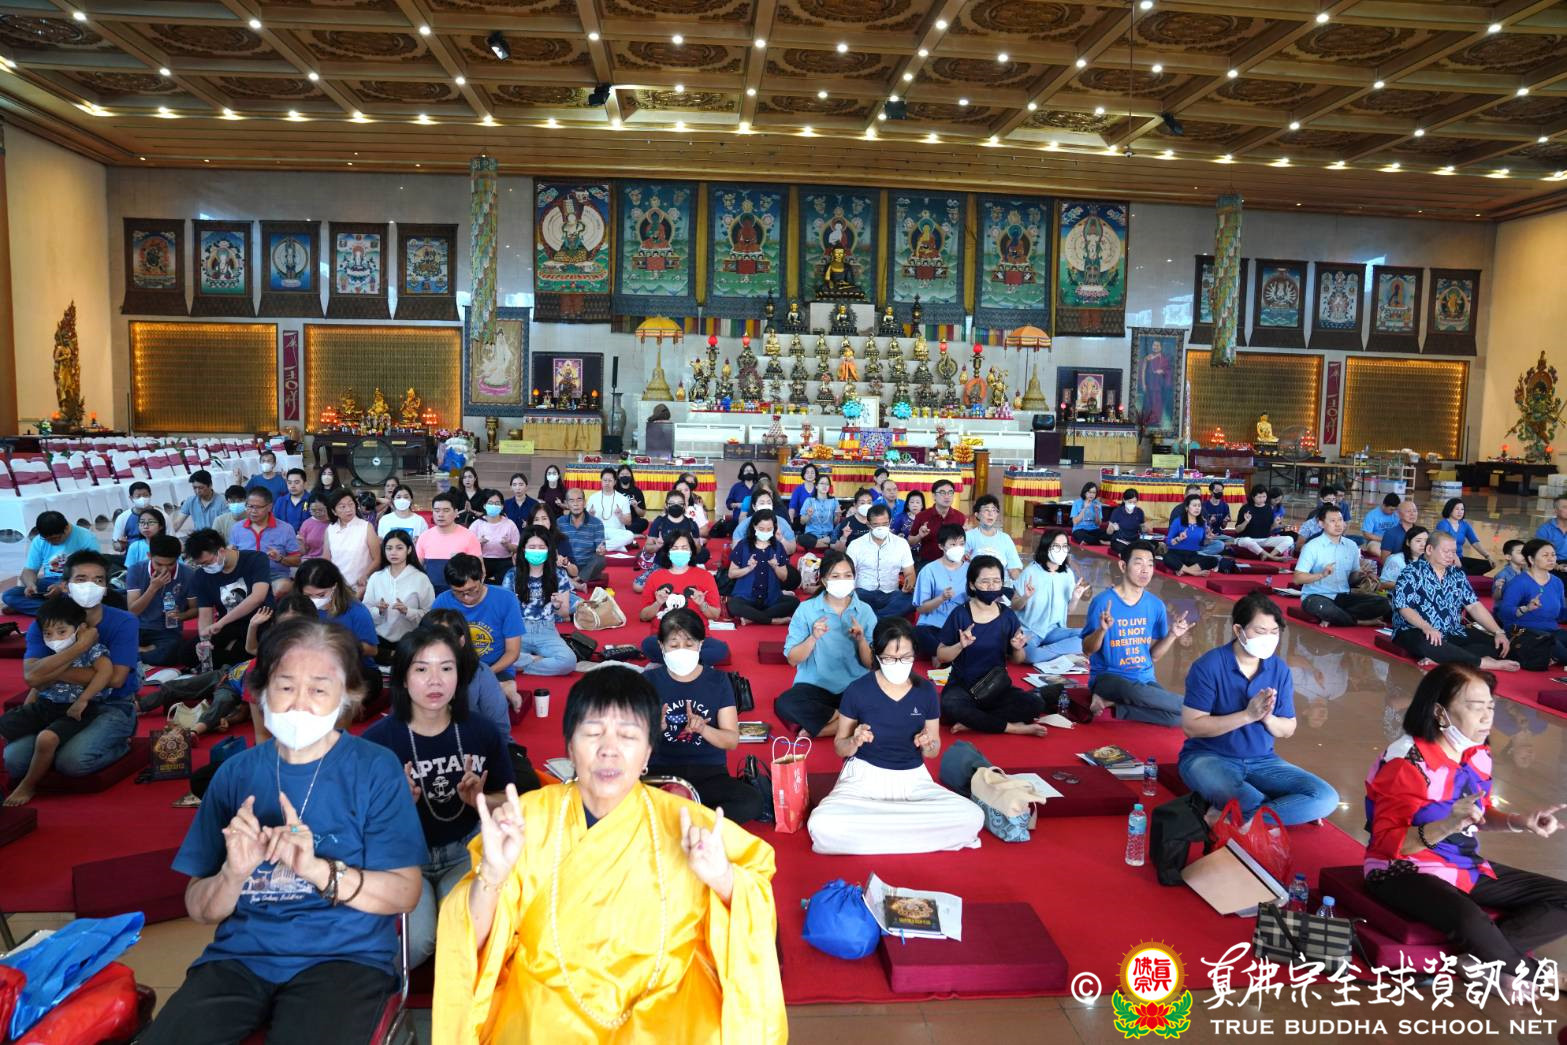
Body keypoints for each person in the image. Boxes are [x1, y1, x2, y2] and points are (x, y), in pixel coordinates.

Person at [431, 667, 786, 1043]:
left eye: (628, 735)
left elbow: (756, 897)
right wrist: (491, 875)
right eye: (593, 733)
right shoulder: (526, 821)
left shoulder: (688, 823)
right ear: (570, 747)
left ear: (648, 752)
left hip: (668, 993)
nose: (609, 750)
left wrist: (724, 880)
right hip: (546, 992)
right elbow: (468, 943)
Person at [138, 617, 425, 1045]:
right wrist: (233, 874)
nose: (298, 705)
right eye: (286, 686)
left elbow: (405, 893)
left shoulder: (375, 769)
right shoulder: (235, 774)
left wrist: (316, 870)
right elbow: (200, 909)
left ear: (347, 696)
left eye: (319, 690)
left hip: (346, 958)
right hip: (240, 958)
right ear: (261, 691)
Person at [1363, 663, 1567, 999]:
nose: (1487, 717)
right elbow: (1388, 844)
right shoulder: (1406, 762)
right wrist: (1447, 825)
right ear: (1439, 712)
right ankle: (1541, 974)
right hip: (1400, 869)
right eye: (1475, 707)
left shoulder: (1477, 753)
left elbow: (1478, 813)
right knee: (1469, 918)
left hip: (1460, 864)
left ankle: (1481, 960)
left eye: (1491, 706)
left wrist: (1519, 821)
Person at [364, 627, 515, 967]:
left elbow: (507, 801)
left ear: (459, 676)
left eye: (446, 668)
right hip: (404, 860)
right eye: (421, 669)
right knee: (418, 943)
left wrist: (480, 801)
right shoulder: (377, 743)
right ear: (403, 679)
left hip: (463, 852)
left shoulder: (481, 731)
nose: (435, 680)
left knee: (464, 937)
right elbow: (359, 825)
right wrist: (396, 807)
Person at [809, 617, 983, 855]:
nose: (898, 664)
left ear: (915, 653)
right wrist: (854, 741)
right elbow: (840, 747)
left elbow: (933, 750)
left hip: (914, 780)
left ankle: (873, 835)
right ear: (877, 655)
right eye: (890, 658)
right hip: (863, 779)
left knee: (972, 816)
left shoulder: (926, 691)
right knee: (822, 823)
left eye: (906, 657)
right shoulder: (857, 690)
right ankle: (912, 833)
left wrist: (927, 744)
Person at [1177, 593, 1338, 825]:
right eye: (1260, 631)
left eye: (1274, 632)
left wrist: (1267, 718)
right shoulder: (1208, 666)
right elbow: (1192, 727)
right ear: (1238, 630)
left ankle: (1233, 817)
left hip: (1263, 761)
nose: (1268, 639)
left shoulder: (1278, 668)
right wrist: (1247, 715)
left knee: (1325, 798)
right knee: (1248, 798)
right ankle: (1280, 812)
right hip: (1208, 757)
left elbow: (1288, 729)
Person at [3, 551, 139, 785]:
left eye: (98, 580)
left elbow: (115, 679)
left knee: (72, 763)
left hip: (110, 704)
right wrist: (81, 646)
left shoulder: (124, 621)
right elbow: (32, 677)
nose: (90, 586)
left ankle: (121, 745)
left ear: (106, 588)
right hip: (54, 703)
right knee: (15, 763)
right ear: (65, 586)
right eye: (81, 579)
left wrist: (49, 672)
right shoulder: (45, 622)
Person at [644, 608, 765, 823]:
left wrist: (703, 729)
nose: (681, 651)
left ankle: (678, 820)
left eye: (689, 644)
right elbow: (629, 743)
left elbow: (731, 740)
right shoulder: (648, 680)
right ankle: (698, 820)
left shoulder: (718, 681)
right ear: (661, 646)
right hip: (660, 773)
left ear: (701, 645)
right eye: (674, 645)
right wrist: (653, 729)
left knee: (751, 801)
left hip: (709, 774)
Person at [1, 595, 114, 806]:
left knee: (46, 739)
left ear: (80, 628)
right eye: (48, 634)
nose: (55, 638)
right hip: (45, 705)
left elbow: (106, 673)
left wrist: (83, 699)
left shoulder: (93, 650)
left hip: (76, 710)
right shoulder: (51, 653)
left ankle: (28, 784)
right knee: (6, 725)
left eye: (62, 632)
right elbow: (37, 683)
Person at [1081, 541, 1191, 727]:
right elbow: (1087, 650)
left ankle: (1115, 705)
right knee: (1139, 693)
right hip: (1108, 678)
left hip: (1143, 678)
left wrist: (1172, 635)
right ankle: (1199, 707)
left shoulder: (1156, 605)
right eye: (1139, 563)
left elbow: (1153, 656)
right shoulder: (1102, 602)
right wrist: (1102, 630)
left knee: (1177, 718)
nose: (1145, 570)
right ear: (1123, 566)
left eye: (1150, 564)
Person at [935, 555, 1048, 736]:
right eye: (985, 581)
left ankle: (975, 722)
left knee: (1035, 704)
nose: (991, 586)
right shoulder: (960, 614)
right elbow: (941, 655)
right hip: (963, 688)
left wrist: (1018, 648)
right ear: (972, 585)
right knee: (950, 706)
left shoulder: (1007, 615)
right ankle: (1012, 728)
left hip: (996, 686)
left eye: (996, 581)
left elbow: (1018, 660)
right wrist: (960, 646)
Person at [776, 551, 879, 737]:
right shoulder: (807, 609)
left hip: (854, 686)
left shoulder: (865, 611)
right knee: (784, 704)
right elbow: (792, 659)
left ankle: (823, 728)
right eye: (835, 576)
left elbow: (870, 663)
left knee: (886, 701)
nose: (842, 581)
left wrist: (861, 640)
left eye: (847, 576)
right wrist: (813, 638)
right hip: (817, 686)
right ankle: (846, 718)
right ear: (824, 581)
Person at [1391, 529, 1519, 671]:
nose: (1451, 556)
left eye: (1453, 552)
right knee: (1427, 643)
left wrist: (1498, 632)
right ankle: (1482, 663)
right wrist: (1427, 628)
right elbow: (1404, 607)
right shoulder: (1411, 572)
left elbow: (1474, 606)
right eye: (1446, 551)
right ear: (1429, 549)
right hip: (1414, 630)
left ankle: (1443, 658)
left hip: (1451, 630)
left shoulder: (1457, 574)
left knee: (1499, 645)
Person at [434, 554, 525, 711]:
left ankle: (507, 689)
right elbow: (432, 644)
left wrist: (484, 674)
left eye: (471, 590)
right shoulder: (442, 601)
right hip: (456, 668)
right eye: (458, 592)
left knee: (492, 702)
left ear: (482, 577)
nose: (466, 597)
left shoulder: (506, 599)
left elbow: (512, 652)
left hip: (496, 668)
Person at [187, 528, 275, 668]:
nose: (205, 567)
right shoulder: (201, 576)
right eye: (201, 564)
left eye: (207, 563)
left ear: (221, 551)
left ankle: (229, 658)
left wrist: (221, 623)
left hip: (259, 620)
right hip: (229, 625)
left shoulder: (256, 559)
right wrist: (204, 640)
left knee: (249, 652)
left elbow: (257, 597)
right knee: (190, 652)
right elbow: (205, 613)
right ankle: (227, 658)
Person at [1294, 504, 1391, 627]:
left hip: (1343, 597)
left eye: (1340, 520)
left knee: (1383, 603)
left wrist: (1362, 574)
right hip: (1317, 596)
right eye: (1332, 521)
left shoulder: (1351, 546)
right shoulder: (1312, 546)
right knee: (1322, 607)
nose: (1338, 524)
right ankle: (1360, 621)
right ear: (1321, 524)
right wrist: (1321, 575)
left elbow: (1352, 580)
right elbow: (1297, 579)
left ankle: (1337, 617)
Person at [640, 534, 728, 663]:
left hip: (695, 637)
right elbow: (644, 616)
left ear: (691, 551)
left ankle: (674, 662)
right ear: (668, 552)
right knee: (648, 644)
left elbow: (715, 615)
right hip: (666, 638)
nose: (679, 552)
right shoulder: (655, 577)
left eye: (684, 548)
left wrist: (702, 604)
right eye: (675, 548)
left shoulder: (705, 576)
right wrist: (657, 603)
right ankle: (692, 663)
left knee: (720, 649)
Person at [424, 609, 511, 738]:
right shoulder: (412, 672)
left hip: (477, 743)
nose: (435, 646)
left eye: (444, 639)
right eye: (428, 638)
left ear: (461, 641)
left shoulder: (480, 673)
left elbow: (499, 729)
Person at [505, 527, 577, 677]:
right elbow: (503, 613)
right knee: (494, 655)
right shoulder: (512, 575)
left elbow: (564, 614)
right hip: (519, 630)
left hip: (546, 630)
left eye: (541, 547)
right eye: (532, 547)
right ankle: (535, 660)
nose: (536, 551)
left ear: (548, 549)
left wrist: (557, 606)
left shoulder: (559, 575)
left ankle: (521, 665)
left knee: (569, 661)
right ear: (523, 549)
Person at [295, 559, 380, 685]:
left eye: (321, 595)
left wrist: (335, 646)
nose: (314, 600)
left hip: (355, 669)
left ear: (334, 587)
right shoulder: (299, 608)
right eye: (308, 596)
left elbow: (372, 649)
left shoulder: (356, 610)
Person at [1014, 530, 1092, 664]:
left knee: (1089, 636)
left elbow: (1068, 611)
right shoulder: (1030, 572)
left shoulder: (1067, 574)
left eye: (1064, 546)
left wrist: (1075, 598)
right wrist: (1025, 597)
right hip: (1030, 631)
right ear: (1046, 547)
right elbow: (1014, 606)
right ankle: (1063, 655)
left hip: (1054, 632)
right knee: (1030, 655)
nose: (1061, 550)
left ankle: (1049, 654)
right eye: (1056, 546)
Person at [2, 510, 98, 616]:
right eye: (47, 539)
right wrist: (30, 584)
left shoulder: (87, 538)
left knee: (88, 594)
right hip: (49, 583)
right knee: (9, 595)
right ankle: (61, 610)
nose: (51, 542)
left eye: (55, 538)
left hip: (76, 582)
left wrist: (62, 587)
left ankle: (39, 607)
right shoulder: (39, 541)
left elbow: (94, 572)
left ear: (66, 528)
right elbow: (29, 570)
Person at [125, 534, 197, 667]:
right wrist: (153, 588)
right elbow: (133, 611)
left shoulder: (188, 574)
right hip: (137, 627)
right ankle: (146, 651)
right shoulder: (136, 570)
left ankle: (136, 653)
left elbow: (195, 609)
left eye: (170, 564)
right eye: (158, 564)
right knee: (114, 639)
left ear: (178, 558)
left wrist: (182, 615)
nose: (164, 569)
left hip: (167, 631)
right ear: (149, 556)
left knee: (174, 650)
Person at [1493, 539, 1567, 669]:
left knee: (1555, 640)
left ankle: (1552, 656)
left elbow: (1560, 614)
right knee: (1558, 648)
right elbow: (1504, 612)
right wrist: (1526, 608)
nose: (1551, 559)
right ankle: (1554, 656)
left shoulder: (1557, 582)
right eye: (1545, 555)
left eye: (1553, 555)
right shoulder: (1519, 582)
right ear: (1531, 559)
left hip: (1552, 630)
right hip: (1523, 631)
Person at [364, 529, 435, 662]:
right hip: (380, 640)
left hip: (410, 641)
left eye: (399, 548)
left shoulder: (421, 578)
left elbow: (430, 614)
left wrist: (407, 611)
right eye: (389, 548)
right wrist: (379, 610)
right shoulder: (376, 577)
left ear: (409, 550)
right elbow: (365, 610)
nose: (393, 552)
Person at [725, 510, 799, 626]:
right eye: (761, 529)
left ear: (774, 528)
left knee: (794, 602)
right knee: (733, 605)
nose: (765, 532)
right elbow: (731, 574)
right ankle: (772, 620)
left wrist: (775, 567)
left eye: (769, 529)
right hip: (746, 597)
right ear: (754, 527)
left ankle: (753, 618)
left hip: (771, 598)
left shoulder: (778, 547)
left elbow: (784, 577)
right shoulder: (743, 545)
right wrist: (748, 569)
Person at [229, 486, 302, 596]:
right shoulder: (237, 528)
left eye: (258, 507)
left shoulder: (285, 529)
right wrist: (230, 554)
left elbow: (297, 560)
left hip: (274, 575)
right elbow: (232, 558)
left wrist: (280, 558)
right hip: (245, 575)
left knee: (284, 586)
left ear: (269, 507)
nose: (253, 511)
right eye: (250, 506)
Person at [846, 503, 915, 616]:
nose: (881, 528)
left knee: (911, 600)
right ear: (868, 524)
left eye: (885, 524)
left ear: (890, 522)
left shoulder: (901, 544)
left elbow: (910, 572)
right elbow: (848, 573)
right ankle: (884, 619)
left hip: (891, 594)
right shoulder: (856, 545)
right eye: (876, 525)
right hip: (863, 592)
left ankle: (873, 619)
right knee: (852, 599)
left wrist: (909, 582)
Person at [911, 524, 969, 658]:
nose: (958, 548)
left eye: (961, 544)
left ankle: (941, 655)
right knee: (920, 634)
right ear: (941, 546)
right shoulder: (929, 570)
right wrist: (941, 598)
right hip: (933, 624)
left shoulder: (970, 569)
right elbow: (921, 608)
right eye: (953, 544)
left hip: (960, 624)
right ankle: (945, 654)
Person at [416, 490, 484, 596]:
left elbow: (480, 570)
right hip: (430, 594)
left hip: (461, 595)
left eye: (446, 510)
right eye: (437, 510)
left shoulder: (469, 536)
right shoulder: (424, 536)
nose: (440, 514)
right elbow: (416, 568)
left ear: (456, 512)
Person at [321, 489, 380, 598]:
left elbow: (377, 559)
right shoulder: (330, 529)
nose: (348, 509)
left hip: (360, 585)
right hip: (336, 585)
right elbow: (326, 560)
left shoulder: (366, 527)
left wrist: (365, 575)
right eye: (342, 507)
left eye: (351, 504)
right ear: (334, 511)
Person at [1165, 494, 1228, 577]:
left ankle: (1185, 571)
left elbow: (1202, 543)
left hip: (1193, 555)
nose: (1197, 508)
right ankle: (1195, 572)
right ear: (1187, 508)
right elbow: (1168, 541)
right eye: (1194, 505)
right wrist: (1179, 539)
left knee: (1213, 560)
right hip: (1176, 554)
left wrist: (1208, 539)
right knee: (1167, 558)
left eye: (1199, 506)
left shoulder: (1202, 523)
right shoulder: (1178, 521)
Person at [964, 494, 1022, 582]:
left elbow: (1014, 567)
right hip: (977, 584)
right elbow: (961, 564)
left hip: (1000, 585)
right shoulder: (969, 536)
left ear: (997, 514)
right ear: (977, 514)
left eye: (994, 510)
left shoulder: (1005, 538)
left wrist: (1019, 581)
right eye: (986, 510)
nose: (990, 514)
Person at [643, 490, 707, 569]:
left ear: (684, 506)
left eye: (680, 503)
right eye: (672, 503)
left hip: (685, 565)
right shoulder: (659, 522)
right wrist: (657, 546)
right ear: (666, 505)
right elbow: (647, 548)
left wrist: (694, 545)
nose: (676, 506)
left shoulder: (692, 524)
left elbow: (697, 550)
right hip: (662, 565)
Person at [556, 487, 608, 584]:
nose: (576, 504)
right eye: (571, 500)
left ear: (584, 502)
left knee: (601, 560)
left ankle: (576, 580)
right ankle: (578, 579)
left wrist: (600, 550)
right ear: (566, 504)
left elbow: (601, 547)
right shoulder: (559, 522)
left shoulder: (597, 523)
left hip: (587, 566)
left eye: (579, 499)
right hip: (567, 565)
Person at [471, 489, 521, 585]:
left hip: (504, 561)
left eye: (497, 503)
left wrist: (507, 545)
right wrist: (478, 543)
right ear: (484, 505)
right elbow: (468, 547)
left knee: (506, 584)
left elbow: (517, 548)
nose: (493, 506)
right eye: (490, 503)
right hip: (481, 560)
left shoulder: (510, 524)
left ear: (502, 506)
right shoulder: (477, 524)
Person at [910, 478, 965, 563]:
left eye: (950, 492)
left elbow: (964, 544)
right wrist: (919, 536)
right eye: (942, 493)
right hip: (928, 562)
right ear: (934, 496)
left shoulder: (960, 517)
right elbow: (910, 541)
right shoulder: (921, 516)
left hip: (953, 562)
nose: (947, 496)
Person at [1233, 485, 1294, 560]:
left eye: (1264, 496)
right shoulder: (1245, 508)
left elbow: (1269, 530)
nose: (1262, 499)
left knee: (1289, 539)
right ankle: (1273, 557)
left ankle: (1268, 556)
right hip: (1248, 539)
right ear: (1253, 497)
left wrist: (1275, 524)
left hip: (1264, 539)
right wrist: (1246, 521)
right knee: (1246, 541)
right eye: (1259, 497)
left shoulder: (1268, 508)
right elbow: (1237, 530)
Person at [1437, 498, 1492, 576]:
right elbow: (1444, 545)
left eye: (1462, 509)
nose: (1460, 512)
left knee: (1488, 564)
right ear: (1450, 510)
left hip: (1460, 558)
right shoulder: (1443, 524)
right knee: (1465, 570)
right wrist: (1456, 560)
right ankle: (1465, 574)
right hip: (1447, 558)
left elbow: (1475, 542)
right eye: (1457, 509)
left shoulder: (1464, 525)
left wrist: (1488, 556)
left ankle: (1465, 574)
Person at [587, 467, 636, 552]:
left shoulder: (623, 499)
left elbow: (628, 522)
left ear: (615, 482)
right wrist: (590, 516)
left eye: (610, 480)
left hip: (616, 532)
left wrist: (620, 515)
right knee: (584, 534)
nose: (607, 483)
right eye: (605, 480)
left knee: (630, 535)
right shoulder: (593, 498)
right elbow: (586, 522)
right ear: (601, 481)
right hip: (598, 531)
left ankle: (601, 546)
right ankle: (617, 546)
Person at [171, 470, 223, 535]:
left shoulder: (222, 501)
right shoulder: (190, 501)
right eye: (194, 488)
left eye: (201, 488)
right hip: (199, 538)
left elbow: (226, 526)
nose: (197, 491)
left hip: (217, 537)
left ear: (210, 485)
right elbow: (177, 524)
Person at [110, 481, 155, 555]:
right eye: (138, 496)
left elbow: (170, 538)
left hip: (157, 554)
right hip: (132, 555)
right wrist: (121, 546)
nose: (142, 498)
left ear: (150, 495)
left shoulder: (162, 515)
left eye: (145, 495)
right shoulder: (123, 517)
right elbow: (115, 544)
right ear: (131, 498)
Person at [1379, 526, 1429, 592]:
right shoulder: (1396, 560)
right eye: (1418, 541)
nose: (1423, 544)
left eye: (1426, 541)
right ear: (1408, 542)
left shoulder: (1429, 561)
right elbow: (1383, 584)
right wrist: (1408, 584)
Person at [1105, 488, 1148, 557]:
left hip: (1134, 541)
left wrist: (1144, 528)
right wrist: (1112, 528)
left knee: (1148, 545)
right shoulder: (1117, 511)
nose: (1132, 504)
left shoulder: (1139, 512)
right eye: (1130, 502)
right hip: (1120, 541)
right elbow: (1108, 532)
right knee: (1122, 548)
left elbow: (1143, 529)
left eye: (1134, 502)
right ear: (1124, 500)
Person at [1378, 498, 1422, 563]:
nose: (1412, 514)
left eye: (1415, 511)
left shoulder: (1421, 532)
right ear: (1398, 514)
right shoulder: (1391, 534)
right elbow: (1384, 560)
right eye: (1408, 511)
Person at [123, 506, 167, 571]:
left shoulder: (169, 544)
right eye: (142, 522)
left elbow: (179, 567)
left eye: (151, 522)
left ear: (161, 526)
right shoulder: (134, 546)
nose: (146, 526)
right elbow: (131, 571)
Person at [615, 464, 649, 535]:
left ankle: (622, 532)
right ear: (618, 476)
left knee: (644, 522)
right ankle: (630, 533)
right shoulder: (614, 490)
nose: (625, 476)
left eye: (627, 474)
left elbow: (642, 514)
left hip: (632, 520)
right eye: (622, 474)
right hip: (617, 519)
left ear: (631, 476)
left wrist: (635, 507)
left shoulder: (637, 491)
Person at [725, 462, 760, 527]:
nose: (749, 472)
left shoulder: (759, 487)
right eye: (746, 471)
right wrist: (736, 505)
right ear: (742, 473)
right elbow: (728, 503)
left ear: (754, 472)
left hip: (756, 521)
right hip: (738, 522)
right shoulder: (736, 487)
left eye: (751, 470)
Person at [1537, 495, 1567, 568]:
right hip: (1552, 564)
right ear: (1555, 511)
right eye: (1565, 507)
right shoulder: (1545, 529)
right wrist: (1555, 566)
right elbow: (1538, 552)